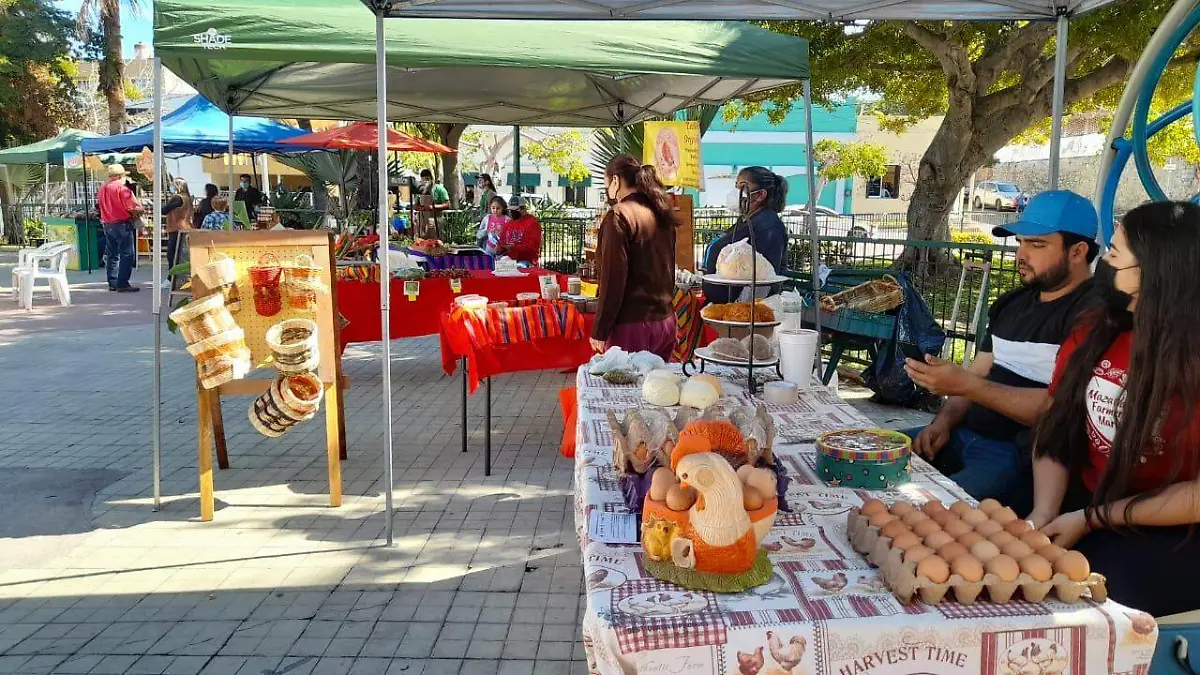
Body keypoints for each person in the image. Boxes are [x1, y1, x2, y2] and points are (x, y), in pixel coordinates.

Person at [1029, 201, 1200, 617]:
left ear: (1157, 273)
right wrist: (1043, 512)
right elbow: (1057, 427)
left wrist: (1093, 518)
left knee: (1081, 601)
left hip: (1175, 532)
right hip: (1086, 504)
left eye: (1115, 253)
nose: (1103, 260)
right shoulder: (1095, 329)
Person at [901, 190, 1100, 510]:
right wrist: (943, 422)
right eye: (1020, 242)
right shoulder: (1012, 304)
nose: (1022, 254)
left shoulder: (1093, 315)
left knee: (924, 514)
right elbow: (977, 373)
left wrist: (967, 385)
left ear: (1077, 252)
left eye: (1037, 245)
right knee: (866, 452)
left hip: (1019, 456)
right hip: (963, 435)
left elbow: (1060, 409)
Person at [590, 155, 678, 360]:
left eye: (606, 184)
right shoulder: (661, 211)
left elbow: (613, 277)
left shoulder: (619, 214)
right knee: (657, 389)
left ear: (615, 181)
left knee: (626, 390)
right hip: (665, 321)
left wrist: (600, 329)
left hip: (632, 326)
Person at [701, 166, 789, 304]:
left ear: (760, 195)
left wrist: (742, 309)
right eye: (736, 186)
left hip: (744, 314)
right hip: (725, 306)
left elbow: (764, 278)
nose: (736, 192)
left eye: (743, 186)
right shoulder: (747, 220)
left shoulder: (768, 227)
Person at [97, 164, 143, 293]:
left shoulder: (102, 189)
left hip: (107, 223)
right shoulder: (122, 189)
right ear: (119, 176)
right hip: (122, 224)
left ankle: (112, 282)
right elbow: (132, 208)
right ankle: (122, 283)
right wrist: (141, 209)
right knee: (127, 254)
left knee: (112, 254)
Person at [495, 195, 541, 265]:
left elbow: (532, 247)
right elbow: (502, 241)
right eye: (510, 210)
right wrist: (499, 248)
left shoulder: (532, 223)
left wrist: (514, 247)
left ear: (523, 209)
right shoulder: (509, 223)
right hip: (509, 259)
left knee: (520, 266)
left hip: (526, 260)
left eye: (515, 210)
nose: (512, 212)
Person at [164, 178, 194, 272]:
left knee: (172, 255)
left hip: (176, 228)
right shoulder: (187, 198)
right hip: (186, 227)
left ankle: (171, 277)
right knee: (182, 255)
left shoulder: (177, 198)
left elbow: (165, 210)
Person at [414, 169, 451, 238]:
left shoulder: (440, 189)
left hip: (436, 221)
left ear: (432, 179)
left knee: (435, 242)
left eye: (427, 179)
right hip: (422, 222)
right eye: (423, 179)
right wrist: (420, 208)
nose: (426, 181)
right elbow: (415, 206)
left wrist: (432, 207)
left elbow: (447, 205)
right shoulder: (420, 190)